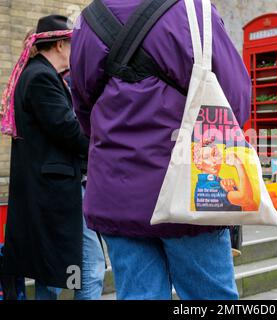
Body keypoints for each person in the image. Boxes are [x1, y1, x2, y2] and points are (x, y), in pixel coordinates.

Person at [70, 0, 250, 300]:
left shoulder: (89, 19)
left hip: (117, 190)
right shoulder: (194, 10)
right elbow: (236, 99)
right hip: (192, 189)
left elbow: (83, 106)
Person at [0, 15, 105, 300]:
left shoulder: (42, 75)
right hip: (58, 193)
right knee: (88, 267)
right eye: (74, 44)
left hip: (54, 192)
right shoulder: (40, 78)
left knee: (54, 274)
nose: (77, 50)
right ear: (60, 44)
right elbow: (68, 130)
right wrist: (106, 144)